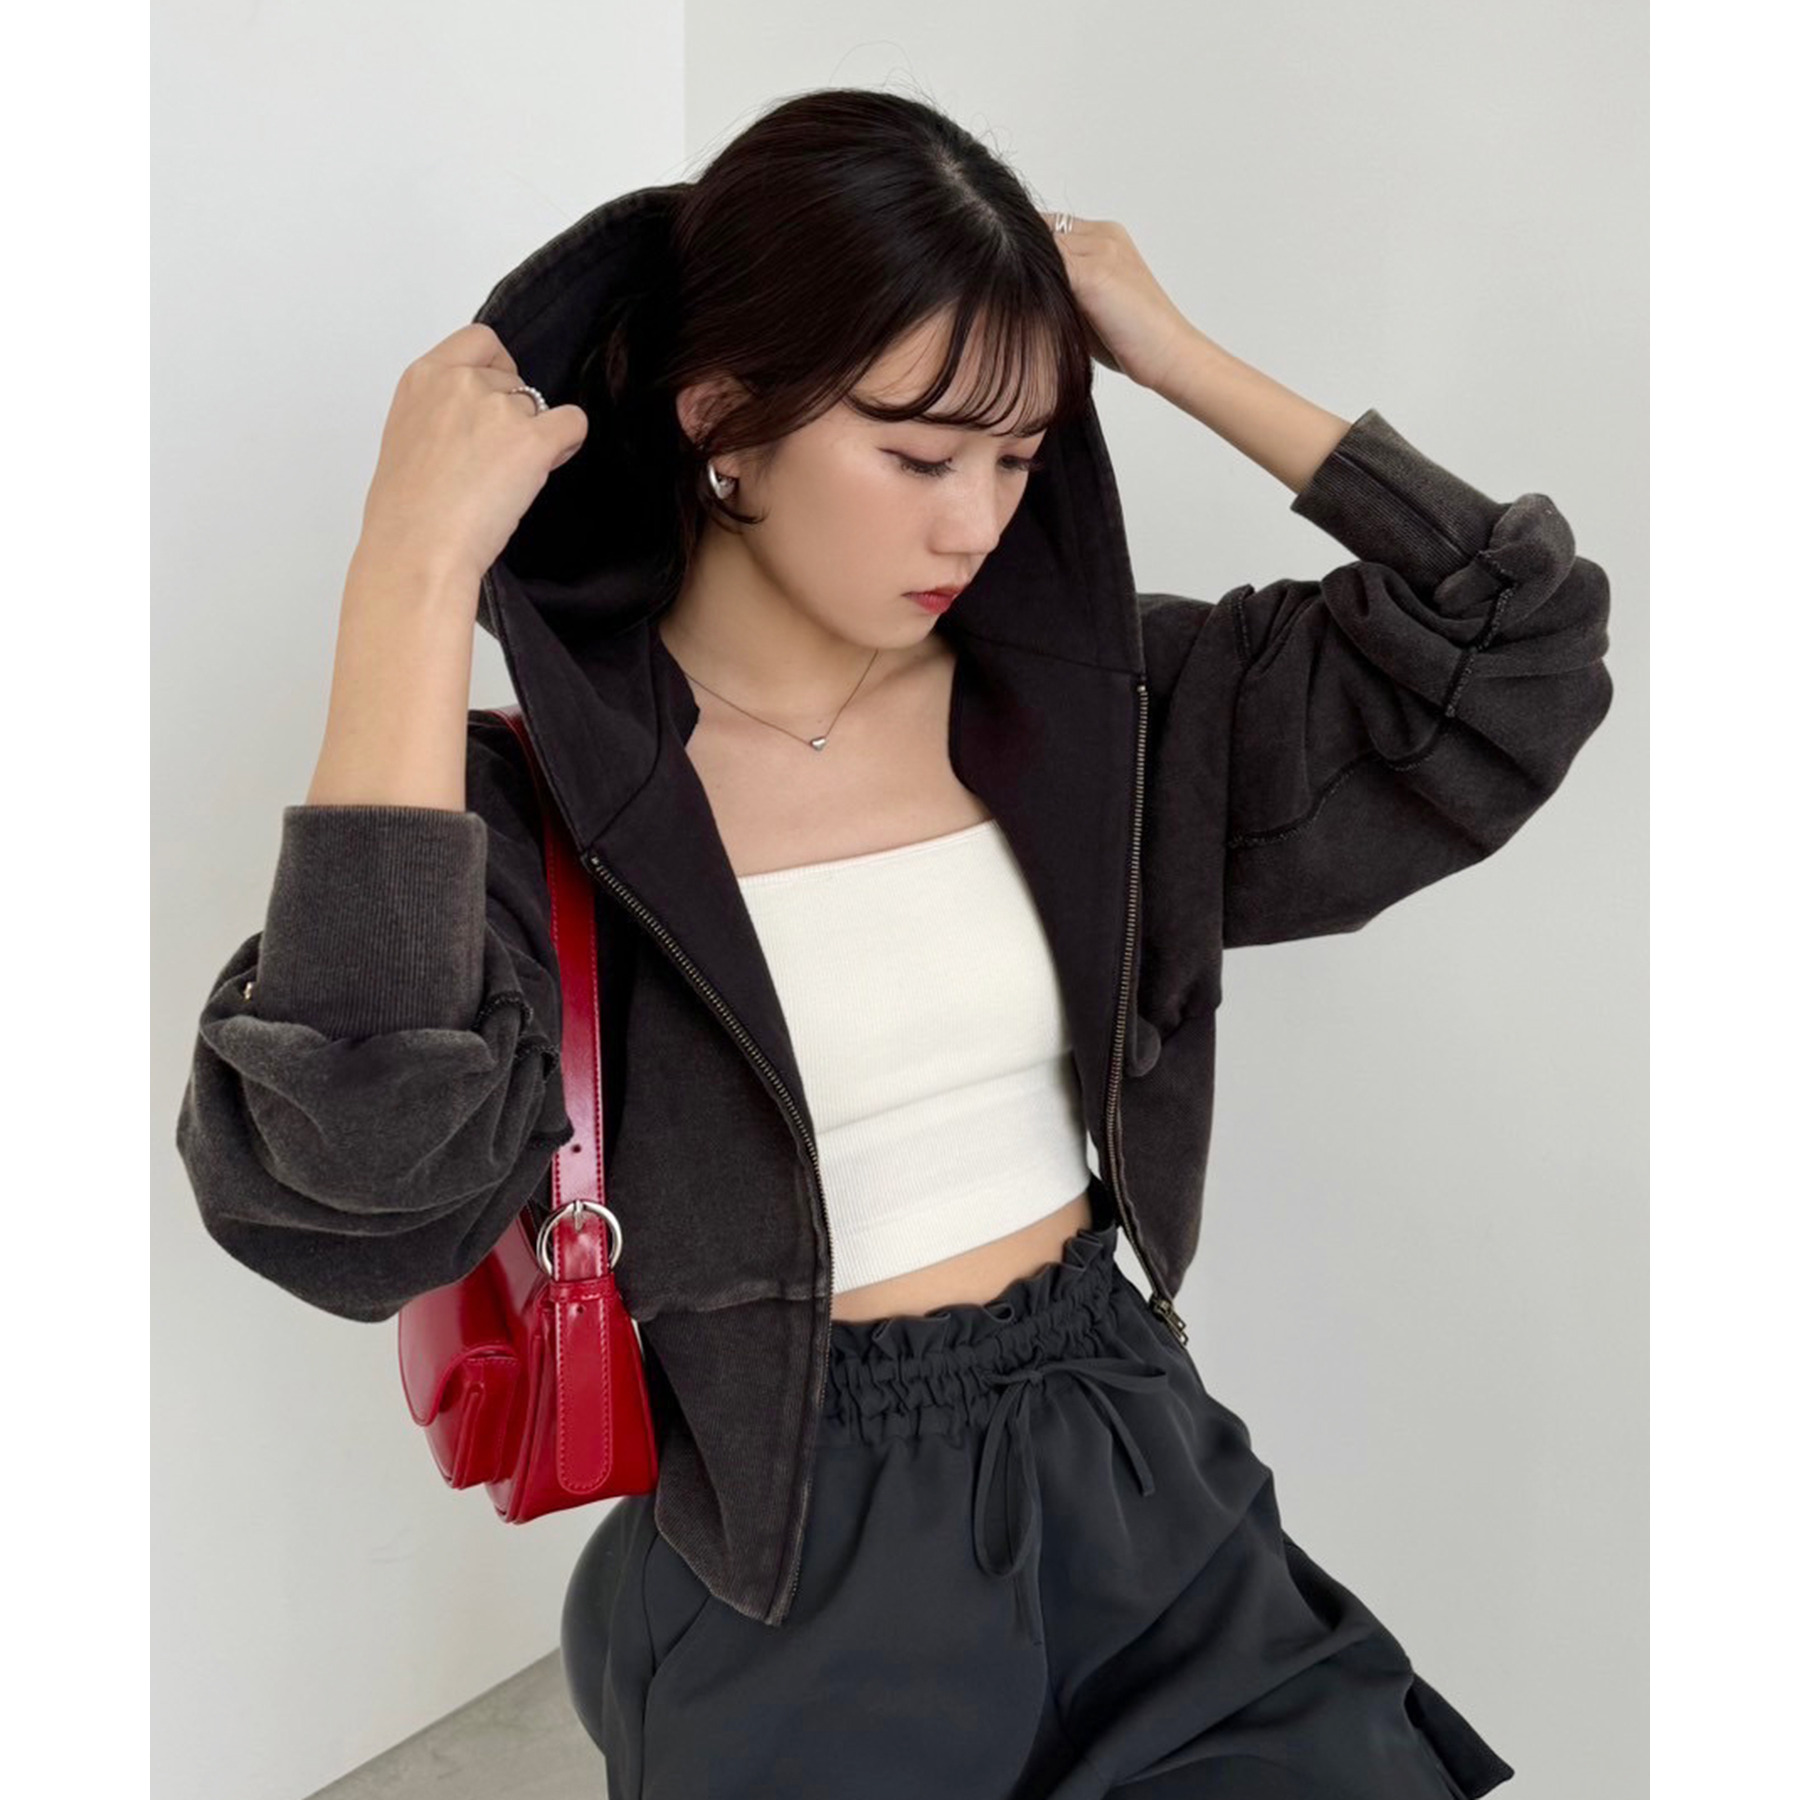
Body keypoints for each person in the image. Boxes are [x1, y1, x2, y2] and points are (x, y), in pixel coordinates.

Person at [174, 88, 1612, 1799]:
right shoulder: (530, 808)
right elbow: (352, 1201)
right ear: (727, 422)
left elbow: (1515, 657)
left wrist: (1174, 354)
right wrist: (410, 574)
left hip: (1137, 1475)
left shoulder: (1107, 719)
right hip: (795, 1557)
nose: (975, 522)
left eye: (1019, 457)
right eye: (921, 455)